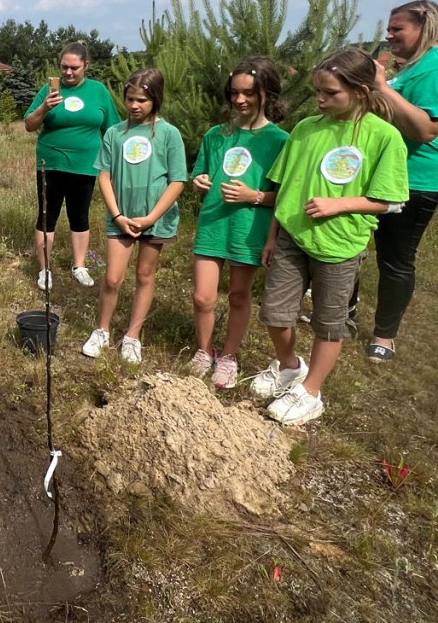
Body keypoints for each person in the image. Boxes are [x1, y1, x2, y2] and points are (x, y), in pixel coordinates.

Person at [251, 48, 408, 426]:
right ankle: (289, 367)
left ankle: (311, 391)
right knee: (274, 313)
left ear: (360, 90)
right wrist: (272, 234)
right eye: (318, 91)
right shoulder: (307, 129)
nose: (320, 99)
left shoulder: (384, 137)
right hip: (291, 236)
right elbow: (286, 186)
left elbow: (391, 203)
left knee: (329, 323)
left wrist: (340, 205)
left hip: (340, 246)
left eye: (330, 93)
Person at [188, 57, 289, 388]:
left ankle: (229, 356)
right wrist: (200, 181)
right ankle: (205, 351)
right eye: (234, 93)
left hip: (248, 229)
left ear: (266, 93)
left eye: (248, 93)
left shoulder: (278, 141)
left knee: (238, 295)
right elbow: (201, 173)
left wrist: (254, 196)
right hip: (212, 223)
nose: (240, 100)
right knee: (203, 297)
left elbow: (285, 196)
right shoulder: (216, 135)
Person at [82, 68, 186, 363]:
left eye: (142, 100)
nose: (134, 105)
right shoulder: (115, 133)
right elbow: (103, 175)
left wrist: (151, 217)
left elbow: (177, 180)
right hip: (120, 217)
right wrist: (117, 215)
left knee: (144, 275)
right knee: (113, 278)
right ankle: (102, 330)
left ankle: (132, 336)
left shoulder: (169, 134)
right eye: (130, 99)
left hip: (156, 219)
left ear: (156, 99)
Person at [365, 0, 438, 362]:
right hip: (383, 171)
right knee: (355, 245)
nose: (389, 35)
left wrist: (382, 86)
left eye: (398, 29)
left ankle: (385, 335)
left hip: (414, 179)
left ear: (424, 28)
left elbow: (425, 129)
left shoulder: (435, 67)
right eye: (389, 28)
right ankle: (342, 313)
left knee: (395, 259)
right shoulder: (414, 67)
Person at [24, 41, 120, 291]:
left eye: (74, 68)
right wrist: (45, 107)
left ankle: (79, 266)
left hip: (85, 166)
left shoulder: (98, 91)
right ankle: (44, 270)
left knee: (80, 216)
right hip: (50, 164)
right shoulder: (49, 90)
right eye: (64, 67)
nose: (68, 72)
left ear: (86, 66)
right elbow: (29, 124)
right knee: (47, 216)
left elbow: (111, 128)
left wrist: (116, 160)